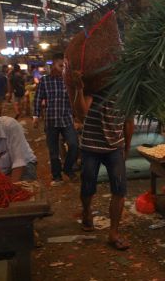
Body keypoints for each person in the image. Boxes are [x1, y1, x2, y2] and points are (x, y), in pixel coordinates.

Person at [73, 71, 134, 251]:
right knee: (88, 185)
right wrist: (78, 89)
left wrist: (126, 148)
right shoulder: (93, 89)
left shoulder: (126, 92)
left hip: (115, 147)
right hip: (91, 146)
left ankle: (113, 233)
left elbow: (129, 123)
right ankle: (86, 211)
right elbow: (82, 114)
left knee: (120, 189)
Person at [33, 53, 79, 186]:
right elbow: (38, 98)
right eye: (60, 66)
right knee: (54, 152)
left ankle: (68, 169)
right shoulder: (45, 80)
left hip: (67, 119)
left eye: (65, 66)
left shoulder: (69, 81)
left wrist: (77, 118)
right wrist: (35, 116)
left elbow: (75, 100)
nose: (63, 68)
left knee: (74, 145)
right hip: (51, 120)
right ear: (53, 65)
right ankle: (57, 176)